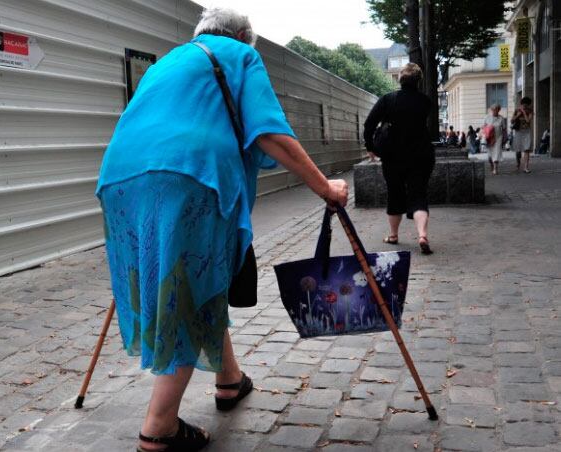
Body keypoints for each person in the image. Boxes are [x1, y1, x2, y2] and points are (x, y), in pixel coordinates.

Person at [95, 8, 349, 451]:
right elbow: (270, 134)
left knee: (196, 278)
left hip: (119, 178)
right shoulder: (240, 55)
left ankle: (229, 380)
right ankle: (159, 427)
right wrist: (324, 186)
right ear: (243, 36)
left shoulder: (171, 61)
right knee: (187, 290)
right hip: (187, 176)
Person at [363, 63, 435, 255]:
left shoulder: (388, 99)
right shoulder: (425, 102)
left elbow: (369, 124)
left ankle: (394, 235)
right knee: (418, 194)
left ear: (400, 79)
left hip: (393, 155)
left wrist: (370, 147)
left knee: (395, 193)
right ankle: (422, 235)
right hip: (421, 154)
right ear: (418, 81)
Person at [483, 104, 508, 175]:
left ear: (499, 110)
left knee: (496, 153)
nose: (495, 111)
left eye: (496, 109)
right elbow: (484, 128)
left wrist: (505, 138)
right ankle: (492, 165)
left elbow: (504, 129)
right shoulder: (487, 117)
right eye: (493, 109)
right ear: (491, 110)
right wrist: (485, 135)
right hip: (489, 138)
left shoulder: (501, 118)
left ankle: (495, 169)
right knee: (490, 155)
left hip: (498, 138)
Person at [511, 97, 534, 173]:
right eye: (523, 104)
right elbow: (512, 121)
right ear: (521, 104)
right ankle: (518, 165)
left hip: (527, 132)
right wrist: (518, 115)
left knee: (526, 149)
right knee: (518, 150)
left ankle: (526, 167)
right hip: (518, 132)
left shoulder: (530, 111)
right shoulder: (517, 110)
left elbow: (528, 121)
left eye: (526, 105)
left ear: (528, 105)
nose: (524, 106)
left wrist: (524, 113)